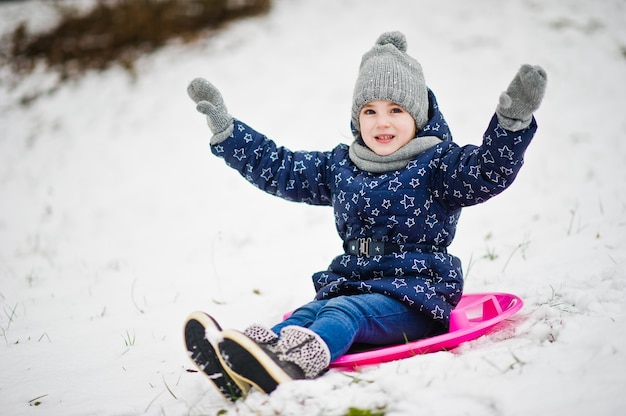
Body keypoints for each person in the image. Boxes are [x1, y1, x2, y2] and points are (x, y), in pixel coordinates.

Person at [183, 31, 547, 401]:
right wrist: (230, 135)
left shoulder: (439, 165)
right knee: (307, 314)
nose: (381, 122)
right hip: (350, 284)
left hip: (414, 296)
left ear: (417, 117)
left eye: (395, 110)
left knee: (343, 313)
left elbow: (487, 171)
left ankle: (294, 364)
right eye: (369, 111)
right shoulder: (342, 165)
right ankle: (247, 361)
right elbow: (283, 168)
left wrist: (511, 123)